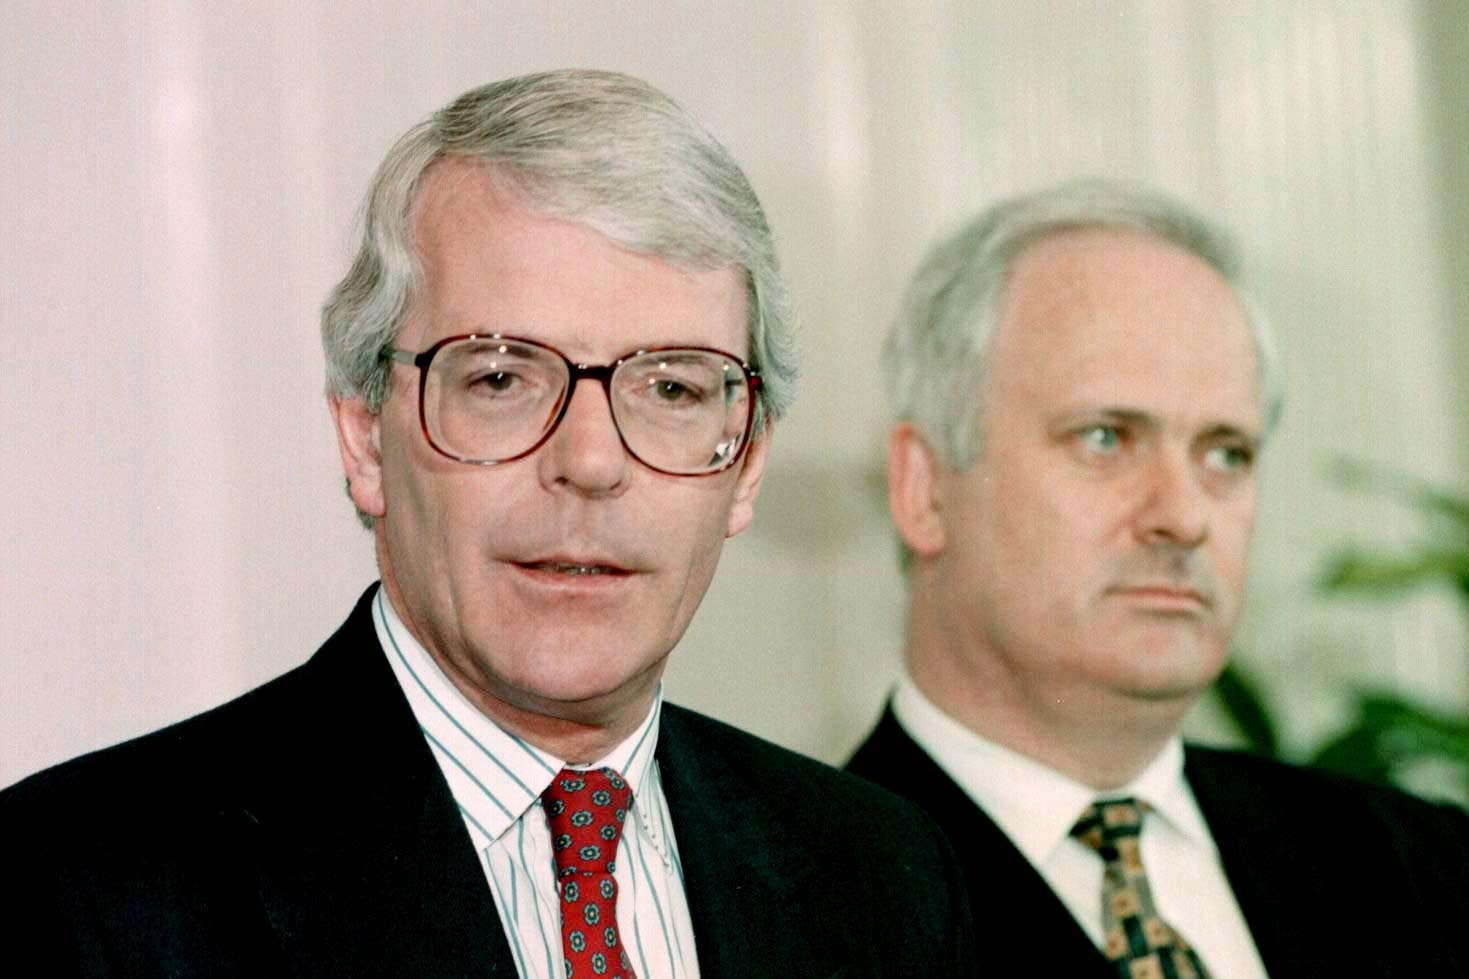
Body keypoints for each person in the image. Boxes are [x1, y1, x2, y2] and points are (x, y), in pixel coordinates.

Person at [2, 70, 974, 978]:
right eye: (501, 378)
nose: (590, 462)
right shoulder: (75, 892)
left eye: (671, 385)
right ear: (365, 439)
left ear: (746, 460)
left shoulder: (887, 876)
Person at [846, 179, 1469, 977]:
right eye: (1105, 437)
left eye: (1224, 454)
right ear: (923, 488)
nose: (1183, 515)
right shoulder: (793, 916)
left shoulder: (1421, 868)